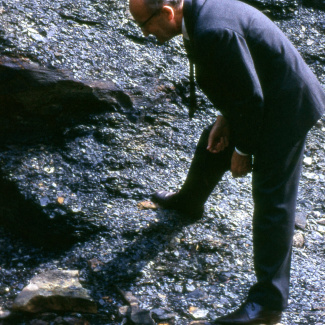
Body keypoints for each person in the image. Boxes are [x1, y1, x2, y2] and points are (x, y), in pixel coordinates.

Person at [129, 0, 325, 324]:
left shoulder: (212, 28)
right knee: (214, 139)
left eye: (144, 23)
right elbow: (239, 75)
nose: (145, 32)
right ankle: (189, 203)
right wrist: (225, 117)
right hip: (264, 94)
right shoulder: (197, 16)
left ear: (166, 13)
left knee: (271, 196)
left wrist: (244, 150)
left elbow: (250, 98)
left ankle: (268, 305)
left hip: (288, 104)